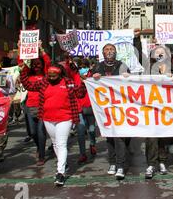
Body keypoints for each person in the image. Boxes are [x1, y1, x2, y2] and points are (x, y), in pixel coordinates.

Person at [20, 63, 87, 187]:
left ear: (60, 73)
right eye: (49, 75)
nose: (51, 77)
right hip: (47, 118)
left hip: (65, 118)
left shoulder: (68, 82)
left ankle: (60, 173)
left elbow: (80, 94)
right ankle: (64, 163)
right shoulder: (44, 82)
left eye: (54, 75)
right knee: (55, 143)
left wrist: (83, 82)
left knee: (61, 144)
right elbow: (28, 85)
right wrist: (24, 69)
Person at [92, 43, 131, 180]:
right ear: (103, 53)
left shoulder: (122, 65)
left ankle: (120, 165)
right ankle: (113, 162)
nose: (109, 51)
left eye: (112, 49)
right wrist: (93, 77)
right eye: (107, 49)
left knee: (119, 136)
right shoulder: (98, 66)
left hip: (120, 107)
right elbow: (90, 83)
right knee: (109, 136)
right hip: (105, 108)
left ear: (115, 52)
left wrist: (127, 77)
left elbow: (131, 84)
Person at [19, 43, 51, 166]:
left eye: (39, 64)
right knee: (32, 133)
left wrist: (41, 49)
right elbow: (21, 65)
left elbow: (48, 62)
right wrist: (22, 49)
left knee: (41, 132)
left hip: (43, 107)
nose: (36, 66)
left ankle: (41, 156)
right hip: (30, 107)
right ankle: (39, 147)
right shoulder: (29, 75)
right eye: (34, 64)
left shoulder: (46, 75)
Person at [144, 45, 171, 179]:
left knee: (163, 137)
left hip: (167, 108)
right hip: (152, 107)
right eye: (157, 52)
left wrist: (172, 78)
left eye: (162, 52)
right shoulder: (147, 69)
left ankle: (162, 162)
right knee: (151, 137)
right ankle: (151, 164)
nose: (160, 55)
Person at [0, 54, 16, 162]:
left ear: (1, 63)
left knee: (2, 127)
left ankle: (0, 149)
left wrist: (9, 103)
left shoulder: (7, 75)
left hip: (2, 103)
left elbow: (12, 91)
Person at [77, 58, 97, 164]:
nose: (82, 69)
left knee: (92, 129)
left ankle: (93, 144)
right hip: (79, 108)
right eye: (80, 67)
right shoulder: (75, 77)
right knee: (80, 132)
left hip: (90, 107)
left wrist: (86, 80)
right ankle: (82, 153)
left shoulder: (93, 76)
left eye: (84, 67)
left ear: (88, 67)